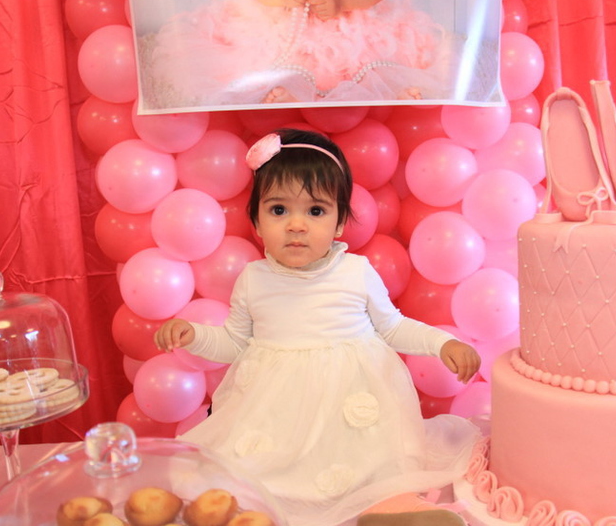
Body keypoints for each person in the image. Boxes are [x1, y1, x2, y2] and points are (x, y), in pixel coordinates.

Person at [154, 128, 481, 526]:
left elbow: (393, 327)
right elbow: (234, 342)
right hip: (277, 406)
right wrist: (195, 335)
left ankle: (387, 507)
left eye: (315, 211)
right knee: (256, 473)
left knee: (371, 464)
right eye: (279, 210)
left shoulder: (355, 272)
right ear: (256, 222)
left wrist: (443, 343)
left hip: (350, 401)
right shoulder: (254, 279)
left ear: (339, 223)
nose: (296, 225)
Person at [139, 0, 456, 110]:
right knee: (266, 63)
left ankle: (387, 95)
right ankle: (288, 95)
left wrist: (342, 1)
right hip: (282, 24)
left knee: (361, 64)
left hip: (350, 25)